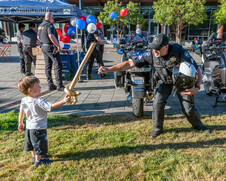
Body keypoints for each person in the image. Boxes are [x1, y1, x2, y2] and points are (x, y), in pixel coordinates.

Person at [98, 33, 210, 138]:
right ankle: (158, 129)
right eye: (153, 47)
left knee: (188, 108)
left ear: (166, 47)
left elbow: (197, 69)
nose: (154, 50)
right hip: (164, 82)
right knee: (157, 104)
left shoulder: (178, 51)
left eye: (158, 48)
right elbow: (130, 63)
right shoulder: (150, 54)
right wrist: (109, 69)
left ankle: (199, 126)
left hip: (181, 82)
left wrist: (197, 87)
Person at [17, 76, 70, 167]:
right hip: (38, 128)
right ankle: (38, 161)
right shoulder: (38, 102)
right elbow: (52, 106)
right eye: (38, 86)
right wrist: (63, 101)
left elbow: (22, 112)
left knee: (32, 144)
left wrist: (20, 123)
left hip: (29, 127)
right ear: (30, 90)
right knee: (39, 144)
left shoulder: (24, 100)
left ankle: (35, 157)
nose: (40, 87)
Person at [37, 12, 64, 91]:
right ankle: (59, 85)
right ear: (50, 18)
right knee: (58, 65)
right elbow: (51, 36)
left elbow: (38, 37)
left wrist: (43, 42)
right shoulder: (49, 25)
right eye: (53, 17)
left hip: (44, 47)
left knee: (48, 66)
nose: (53, 19)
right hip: (50, 47)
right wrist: (57, 45)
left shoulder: (40, 25)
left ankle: (50, 84)